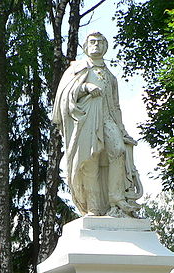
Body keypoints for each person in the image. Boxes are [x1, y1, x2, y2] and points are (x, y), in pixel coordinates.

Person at [52, 32, 143, 218]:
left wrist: (122, 129)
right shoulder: (77, 69)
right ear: (85, 47)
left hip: (108, 119)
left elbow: (116, 105)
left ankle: (116, 200)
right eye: (92, 42)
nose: (96, 45)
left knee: (118, 150)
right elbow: (63, 98)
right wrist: (85, 88)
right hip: (86, 120)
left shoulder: (110, 75)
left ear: (105, 46)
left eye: (101, 42)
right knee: (89, 160)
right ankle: (94, 208)